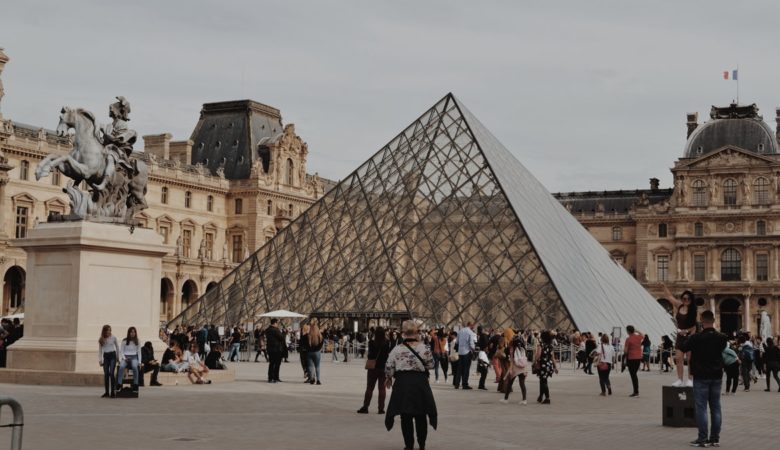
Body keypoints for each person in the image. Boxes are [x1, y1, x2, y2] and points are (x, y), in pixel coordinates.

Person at [385, 321, 437, 450]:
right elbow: (431, 365)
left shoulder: (397, 349)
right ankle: (422, 444)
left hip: (403, 383)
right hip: (420, 383)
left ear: (403, 333)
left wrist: (389, 378)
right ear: (417, 333)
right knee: (421, 414)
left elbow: (389, 367)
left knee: (406, 415)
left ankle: (409, 445)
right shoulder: (424, 348)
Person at [680, 310, 728, 448]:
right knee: (716, 407)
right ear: (713, 321)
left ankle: (702, 439)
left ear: (702, 321)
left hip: (701, 376)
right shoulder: (722, 337)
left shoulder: (696, 338)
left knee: (701, 408)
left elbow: (683, 348)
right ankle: (715, 439)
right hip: (717, 376)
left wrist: (685, 336)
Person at [663, 286, 697, 387]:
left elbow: (695, 327)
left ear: (691, 300)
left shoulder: (694, 310)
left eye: (688, 299)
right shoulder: (680, 306)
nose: (686, 300)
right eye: (684, 298)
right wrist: (663, 286)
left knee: (690, 359)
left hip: (690, 337)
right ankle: (680, 379)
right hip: (680, 337)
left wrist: (686, 331)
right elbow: (669, 296)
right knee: (678, 358)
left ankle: (690, 379)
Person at [358, 326, 391, 414]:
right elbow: (388, 356)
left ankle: (365, 407)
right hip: (383, 367)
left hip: (373, 368)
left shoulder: (372, 343)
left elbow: (370, 355)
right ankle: (381, 409)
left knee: (369, 388)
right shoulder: (387, 343)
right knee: (382, 389)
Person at [501, 334, 528, 404]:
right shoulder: (522, 348)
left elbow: (511, 360)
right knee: (522, 384)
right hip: (522, 367)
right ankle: (524, 399)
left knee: (510, 383)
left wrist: (510, 369)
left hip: (515, 368)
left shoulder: (512, 349)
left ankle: (506, 399)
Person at [534, 330, 558, 404]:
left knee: (543, 381)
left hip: (542, 365)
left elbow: (538, 355)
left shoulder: (540, 344)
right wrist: (555, 367)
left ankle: (547, 398)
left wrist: (534, 361)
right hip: (549, 365)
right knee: (543, 381)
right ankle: (541, 396)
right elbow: (552, 357)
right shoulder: (550, 345)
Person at [98, 324, 121, 398]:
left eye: (110, 330)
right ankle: (107, 392)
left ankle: (113, 392)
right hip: (106, 356)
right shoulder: (101, 339)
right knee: (106, 374)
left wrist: (118, 356)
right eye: (107, 330)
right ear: (104, 331)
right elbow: (100, 350)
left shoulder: (113, 338)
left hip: (112, 356)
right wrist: (100, 360)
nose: (109, 331)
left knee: (111, 373)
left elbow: (117, 347)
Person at [117, 326, 142, 392]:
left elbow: (139, 352)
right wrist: (124, 358)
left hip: (134, 357)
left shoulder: (138, 341)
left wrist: (139, 362)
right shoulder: (124, 341)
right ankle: (119, 384)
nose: (132, 333)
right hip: (125, 357)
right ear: (129, 333)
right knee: (121, 367)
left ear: (135, 333)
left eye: (134, 332)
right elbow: (121, 351)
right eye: (131, 332)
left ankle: (135, 384)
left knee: (134, 367)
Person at [623, 325, 643, 397]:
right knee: (634, 374)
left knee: (633, 375)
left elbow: (625, 351)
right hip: (638, 358)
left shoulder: (628, 339)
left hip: (631, 358)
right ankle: (636, 391)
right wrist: (636, 331)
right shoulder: (638, 337)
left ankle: (636, 392)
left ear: (628, 331)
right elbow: (642, 335)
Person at [455, 322, 476, 389]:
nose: (473, 327)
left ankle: (457, 384)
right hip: (467, 352)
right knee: (466, 369)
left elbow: (457, 342)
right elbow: (471, 343)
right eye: (473, 326)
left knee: (459, 369)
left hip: (460, 352)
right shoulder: (470, 332)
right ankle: (465, 384)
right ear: (471, 325)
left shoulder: (460, 331)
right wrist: (474, 350)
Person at [265, 318, 285, 383]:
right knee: (277, 364)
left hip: (270, 349)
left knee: (271, 363)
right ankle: (275, 377)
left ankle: (270, 377)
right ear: (275, 323)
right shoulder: (276, 330)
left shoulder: (267, 330)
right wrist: (283, 332)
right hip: (277, 349)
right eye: (277, 323)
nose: (278, 324)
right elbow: (281, 338)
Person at [307, 319, 324, 385]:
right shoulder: (319, 334)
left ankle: (312, 379)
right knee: (317, 366)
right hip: (317, 351)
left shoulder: (309, 334)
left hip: (310, 351)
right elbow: (322, 341)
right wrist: (319, 348)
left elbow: (307, 344)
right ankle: (318, 380)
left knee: (310, 366)